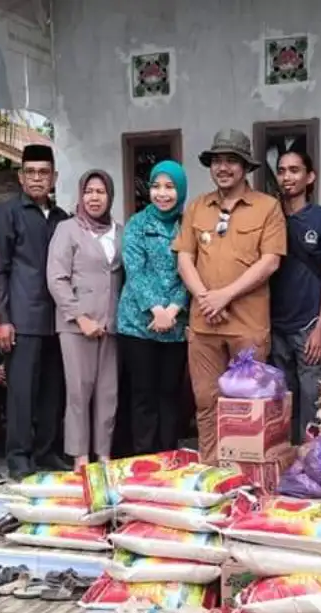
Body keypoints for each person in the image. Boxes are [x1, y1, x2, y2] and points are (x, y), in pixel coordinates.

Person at [173, 129, 286, 462]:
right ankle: (210, 469)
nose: (223, 168)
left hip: (247, 326)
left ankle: (245, 473)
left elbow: (270, 261)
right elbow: (184, 259)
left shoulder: (268, 207)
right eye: (217, 161)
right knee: (206, 401)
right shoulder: (197, 207)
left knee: (248, 406)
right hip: (204, 324)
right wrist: (205, 297)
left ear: (245, 167)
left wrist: (224, 296)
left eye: (231, 161)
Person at [0, 145, 72, 480]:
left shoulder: (62, 218)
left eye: (44, 173)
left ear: (54, 177)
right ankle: (19, 456)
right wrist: (3, 319)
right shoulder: (8, 213)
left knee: (53, 391)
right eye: (31, 172)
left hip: (58, 320)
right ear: (21, 177)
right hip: (22, 318)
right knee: (21, 392)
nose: (37, 178)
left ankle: (47, 451)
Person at [47, 170, 125, 471]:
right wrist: (80, 317)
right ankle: (80, 456)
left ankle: (103, 454)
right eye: (89, 192)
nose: (94, 198)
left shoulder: (120, 231)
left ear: (110, 196)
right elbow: (57, 278)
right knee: (79, 391)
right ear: (81, 195)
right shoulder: (67, 229)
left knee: (108, 392)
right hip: (76, 326)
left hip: (111, 324)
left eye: (100, 192)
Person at [116, 160, 190, 455]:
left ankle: (168, 456)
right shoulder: (137, 224)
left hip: (175, 325)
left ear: (180, 190)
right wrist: (156, 310)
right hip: (138, 324)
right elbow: (135, 271)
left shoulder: (189, 226)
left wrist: (174, 309)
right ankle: (144, 458)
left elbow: (193, 270)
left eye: (170, 187)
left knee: (170, 394)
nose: (162, 193)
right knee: (143, 395)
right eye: (156, 186)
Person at [270, 149, 321, 442]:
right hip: (274, 326)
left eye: (294, 170)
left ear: (310, 177)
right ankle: (283, 461)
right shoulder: (269, 215)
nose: (287, 177)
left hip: (308, 325)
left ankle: (310, 462)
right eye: (281, 170)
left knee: (313, 402)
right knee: (280, 404)